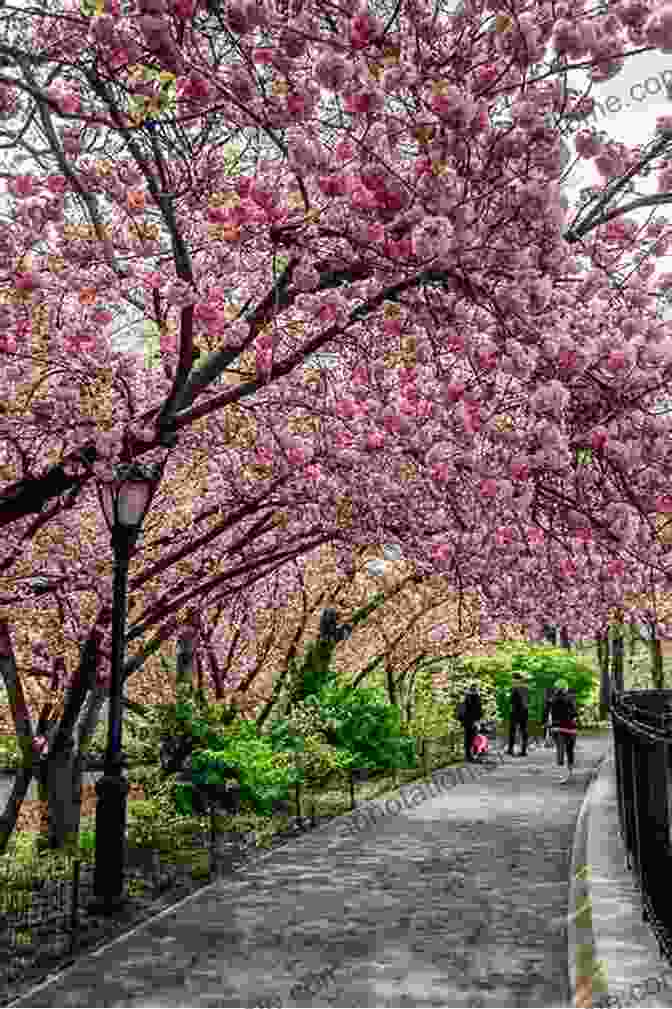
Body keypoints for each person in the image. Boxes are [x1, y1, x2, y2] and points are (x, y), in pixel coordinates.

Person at [550, 678, 577, 783]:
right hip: (571, 728)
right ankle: (569, 772)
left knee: (560, 750)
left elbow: (549, 714)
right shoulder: (571, 699)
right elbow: (575, 714)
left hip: (558, 728)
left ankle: (562, 774)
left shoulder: (552, 700)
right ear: (566, 688)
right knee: (570, 750)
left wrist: (548, 726)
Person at [461, 684, 483, 763]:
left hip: (467, 721)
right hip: (473, 721)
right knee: (474, 738)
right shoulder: (477, 698)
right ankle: (473, 755)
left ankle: (468, 756)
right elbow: (478, 711)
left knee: (468, 739)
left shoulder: (466, 698)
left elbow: (463, 711)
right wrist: (477, 721)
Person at [508, 673, 529, 756]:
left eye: (513, 679)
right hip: (525, 711)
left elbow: (511, 701)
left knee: (512, 730)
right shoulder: (526, 688)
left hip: (515, 711)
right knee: (524, 731)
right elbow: (528, 700)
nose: (512, 681)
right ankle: (524, 750)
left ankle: (510, 749)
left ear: (516, 679)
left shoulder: (514, 688)